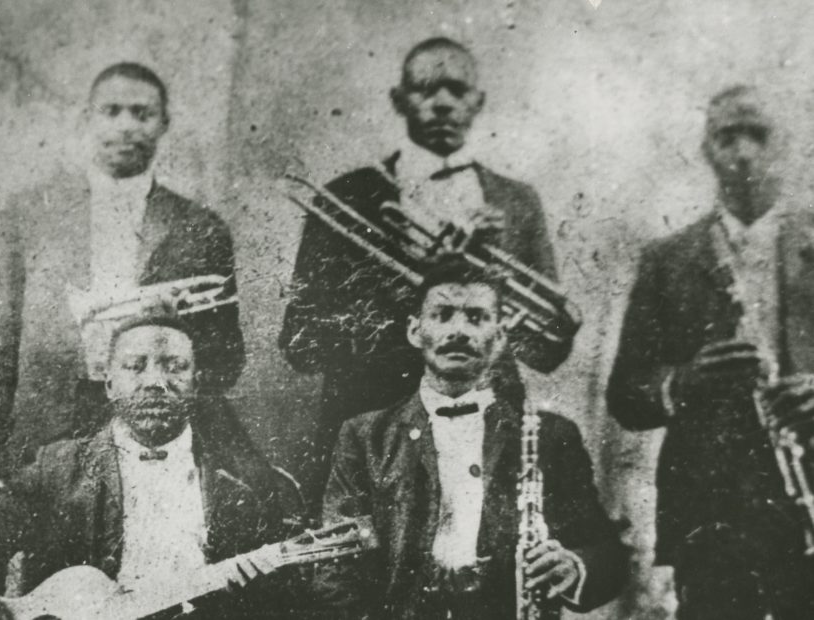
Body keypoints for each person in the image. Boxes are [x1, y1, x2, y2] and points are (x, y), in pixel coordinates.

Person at [279, 37, 562, 507]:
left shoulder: (518, 203)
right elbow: (301, 344)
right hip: (370, 425)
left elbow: (547, 348)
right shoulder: (345, 197)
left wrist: (486, 277)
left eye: (456, 89)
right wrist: (419, 282)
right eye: (425, 89)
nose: (443, 103)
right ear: (398, 100)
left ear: (478, 101)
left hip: (488, 426)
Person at [0, 62, 246, 497]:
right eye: (110, 111)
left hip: (157, 432)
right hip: (51, 432)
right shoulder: (28, 214)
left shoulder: (202, 227)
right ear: (86, 119)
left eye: (142, 113)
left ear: (164, 123)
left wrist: (176, 335)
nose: (126, 127)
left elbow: (227, 363)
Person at [0, 313, 308, 620]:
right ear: (109, 384)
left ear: (198, 383)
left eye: (175, 366)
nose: (156, 381)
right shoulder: (60, 467)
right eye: (135, 366)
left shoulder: (243, 480)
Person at [316, 254, 624, 619]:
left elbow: (608, 555)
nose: (458, 330)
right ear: (415, 331)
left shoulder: (549, 436)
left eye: (476, 317)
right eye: (442, 315)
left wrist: (572, 566)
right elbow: (335, 566)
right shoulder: (365, 436)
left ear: (500, 335)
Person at [607, 85, 814, 619]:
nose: (743, 152)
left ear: (783, 144)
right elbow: (625, 395)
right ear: (705, 150)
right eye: (727, 137)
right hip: (710, 508)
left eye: (758, 136)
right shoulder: (669, 259)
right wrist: (684, 382)